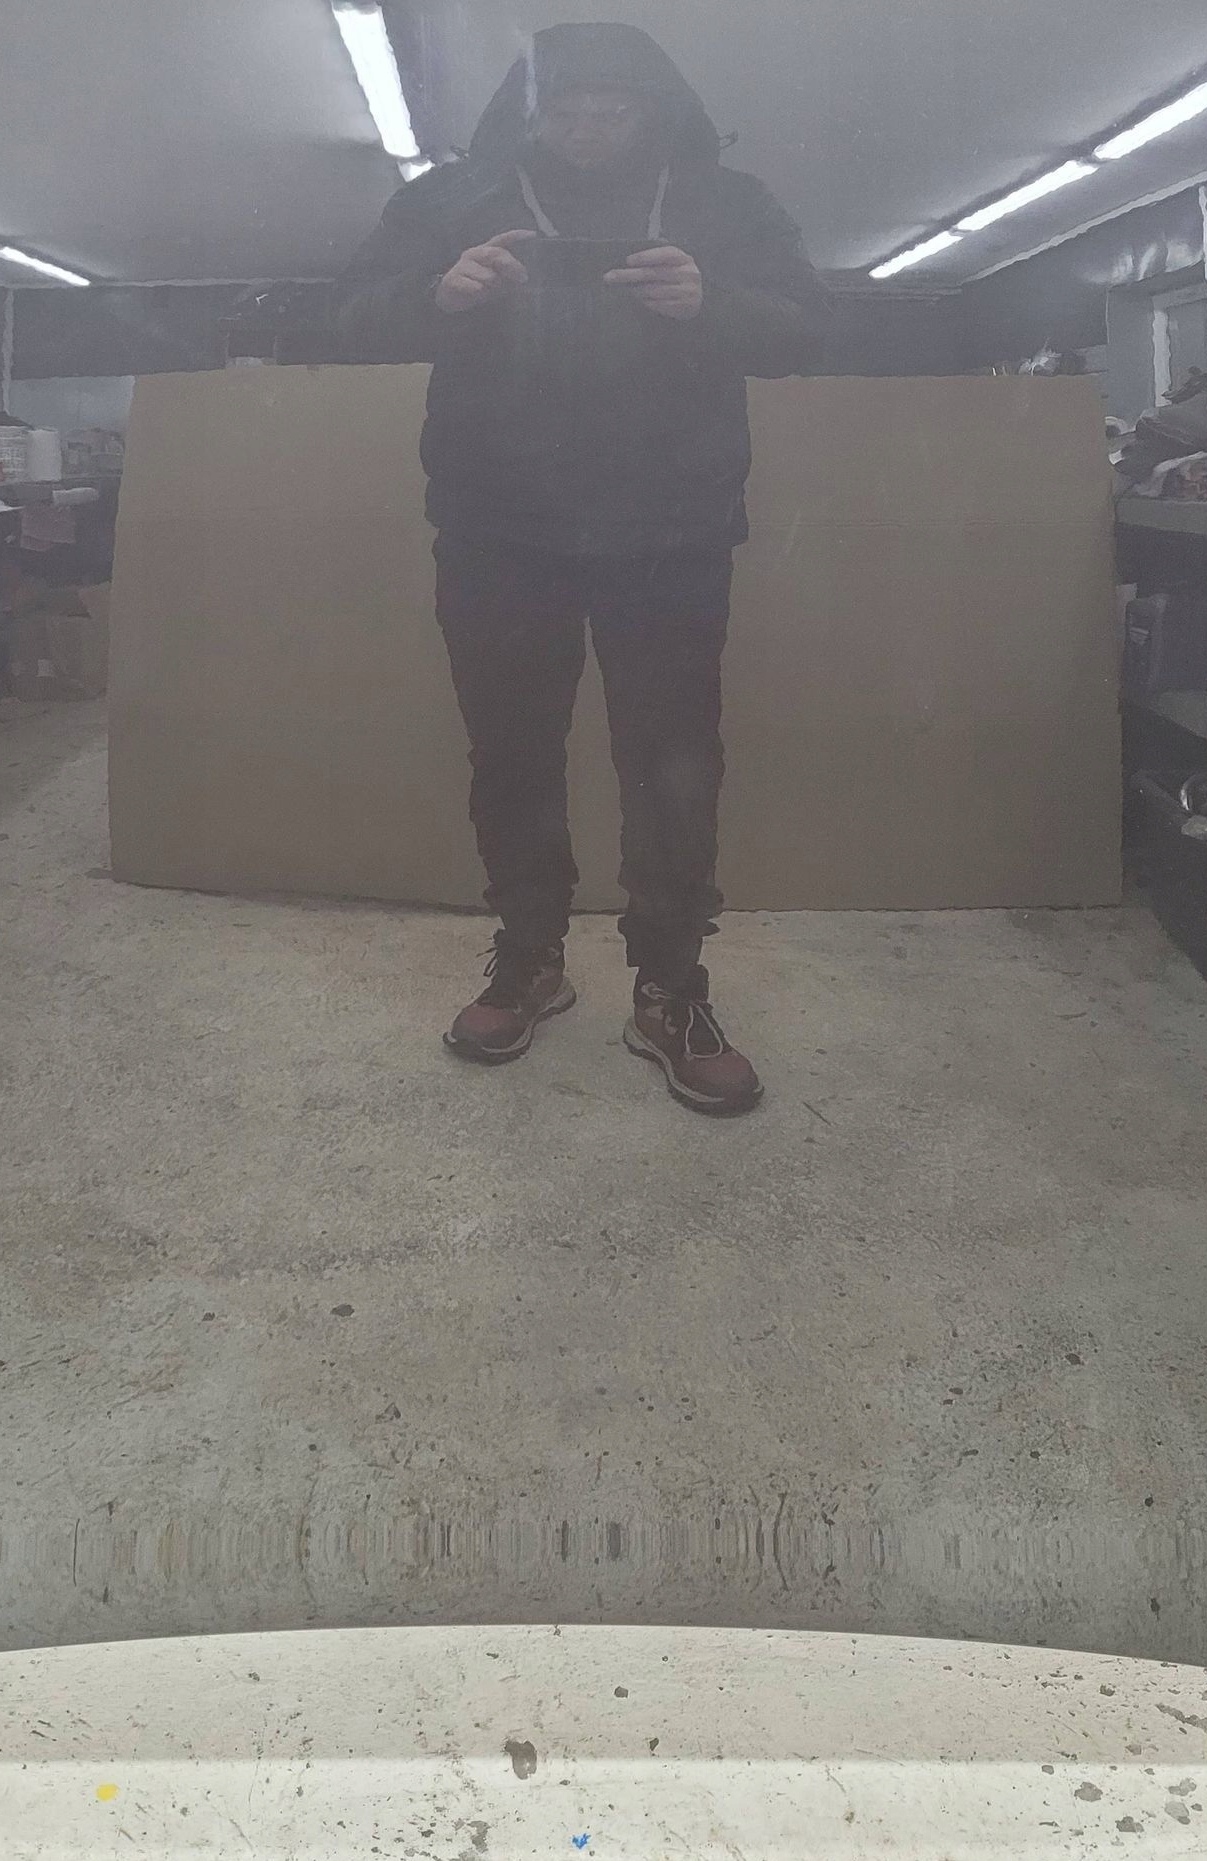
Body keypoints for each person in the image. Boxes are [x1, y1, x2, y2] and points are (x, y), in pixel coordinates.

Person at [334, 21, 827, 1117]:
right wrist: (438, 295)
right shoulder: (454, 200)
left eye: (615, 110)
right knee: (511, 754)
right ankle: (528, 959)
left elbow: (816, 327)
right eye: (567, 110)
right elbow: (340, 318)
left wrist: (713, 302)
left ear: (656, 111)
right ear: (528, 112)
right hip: (498, 530)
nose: (590, 129)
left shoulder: (723, 204)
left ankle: (670, 989)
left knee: (674, 765)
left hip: (672, 533)